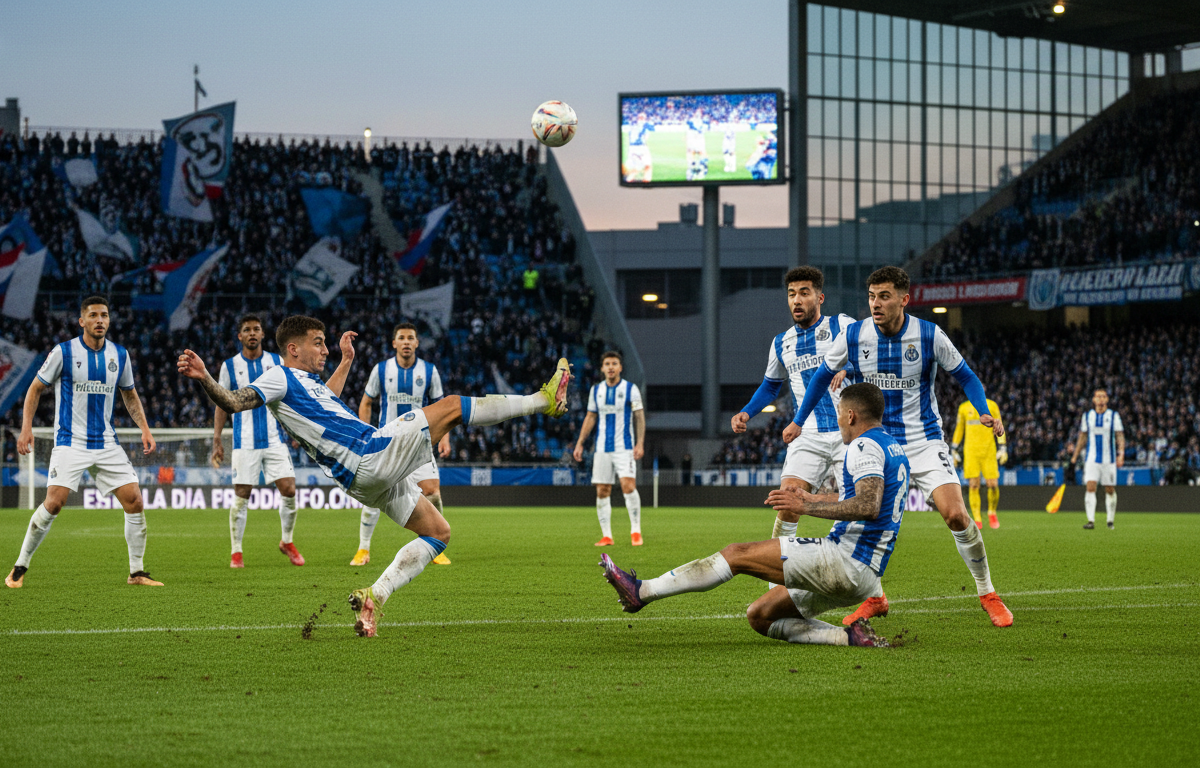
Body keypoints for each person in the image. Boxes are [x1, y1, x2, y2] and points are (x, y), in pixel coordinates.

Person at [177, 315, 571, 637]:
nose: (326, 349)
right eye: (319, 342)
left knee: (438, 532)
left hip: (362, 480)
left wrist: (346, 362)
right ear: (293, 348)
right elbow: (233, 401)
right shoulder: (279, 377)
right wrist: (206, 376)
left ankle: (375, 596)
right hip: (371, 454)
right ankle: (543, 401)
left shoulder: (305, 384)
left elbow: (326, 399)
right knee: (451, 406)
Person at [791, 266, 1013, 628]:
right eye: (871, 297)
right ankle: (875, 599)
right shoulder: (853, 335)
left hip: (922, 440)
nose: (875, 304)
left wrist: (985, 411)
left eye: (884, 297)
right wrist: (799, 421)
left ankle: (987, 592)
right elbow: (819, 377)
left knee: (956, 514)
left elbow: (966, 376)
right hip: (874, 444)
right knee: (864, 520)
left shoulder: (929, 335)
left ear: (904, 299)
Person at [601, 383, 903, 648]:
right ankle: (849, 637)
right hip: (865, 576)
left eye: (839, 414)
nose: (838, 422)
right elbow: (863, 498)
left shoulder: (863, 445)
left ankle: (643, 591)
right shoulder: (891, 446)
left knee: (737, 554)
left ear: (850, 415)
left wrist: (806, 507)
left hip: (845, 561)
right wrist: (813, 497)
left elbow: (868, 506)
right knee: (760, 616)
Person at [7, 296, 162, 589]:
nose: (100, 320)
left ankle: (137, 572)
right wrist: (26, 428)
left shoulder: (120, 355)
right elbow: (35, 388)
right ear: (82, 321)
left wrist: (145, 428)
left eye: (104, 315)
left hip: (106, 442)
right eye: (93, 315)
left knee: (134, 500)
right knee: (54, 503)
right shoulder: (63, 353)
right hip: (70, 442)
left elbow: (129, 394)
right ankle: (19, 566)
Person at [732, 266, 854, 563]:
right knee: (787, 500)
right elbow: (771, 386)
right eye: (791, 294)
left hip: (849, 433)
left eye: (804, 293)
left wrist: (848, 367)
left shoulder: (842, 325)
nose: (796, 300)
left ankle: (866, 583)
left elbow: (872, 351)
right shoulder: (781, 342)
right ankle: (779, 582)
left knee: (855, 507)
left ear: (819, 297)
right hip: (807, 432)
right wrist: (746, 412)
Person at [355, 322, 451, 566]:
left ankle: (435, 545)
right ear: (394, 343)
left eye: (411, 338)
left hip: (419, 441)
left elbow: (442, 407)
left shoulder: (429, 371)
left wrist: (446, 437)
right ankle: (363, 549)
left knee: (432, 491)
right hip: (387, 442)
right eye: (402, 337)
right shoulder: (381, 370)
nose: (406, 341)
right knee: (373, 493)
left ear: (417, 343)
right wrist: (363, 435)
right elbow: (366, 402)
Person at [211, 314, 303, 569]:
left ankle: (287, 541)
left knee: (289, 490)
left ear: (263, 334)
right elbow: (221, 404)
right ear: (239, 336)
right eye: (247, 330)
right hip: (244, 442)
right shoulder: (229, 367)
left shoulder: (276, 362)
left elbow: (289, 398)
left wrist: (296, 429)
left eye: (257, 329)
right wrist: (217, 438)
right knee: (242, 495)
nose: (252, 333)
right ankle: (237, 552)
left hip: (274, 439)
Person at [573, 351, 645, 546]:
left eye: (614, 363)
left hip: (625, 447)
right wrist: (580, 443)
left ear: (620, 367)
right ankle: (607, 536)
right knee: (602, 490)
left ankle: (636, 531)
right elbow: (590, 417)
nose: (611, 367)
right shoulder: (596, 391)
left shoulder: (631, 389)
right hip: (602, 449)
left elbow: (639, 416)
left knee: (628, 486)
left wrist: (640, 443)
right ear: (602, 368)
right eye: (607, 364)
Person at [1069, 388, 1124, 529]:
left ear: (1107, 400)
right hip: (1091, 458)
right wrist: (1075, 456)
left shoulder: (1113, 416)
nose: (1100, 399)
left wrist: (1121, 453)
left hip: (1109, 459)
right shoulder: (1087, 416)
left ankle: (1110, 520)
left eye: (1103, 396)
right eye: (1098, 396)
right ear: (1093, 400)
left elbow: (1119, 435)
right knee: (1090, 486)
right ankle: (1091, 521)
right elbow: (1082, 437)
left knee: (1110, 489)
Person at [951, 397, 1007, 529]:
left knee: (992, 484)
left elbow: (1000, 425)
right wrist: (953, 448)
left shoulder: (992, 405)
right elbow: (959, 429)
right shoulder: (963, 407)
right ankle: (977, 518)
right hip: (971, 451)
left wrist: (1002, 446)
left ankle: (992, 512)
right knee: (973, 485)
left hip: (989, 450)